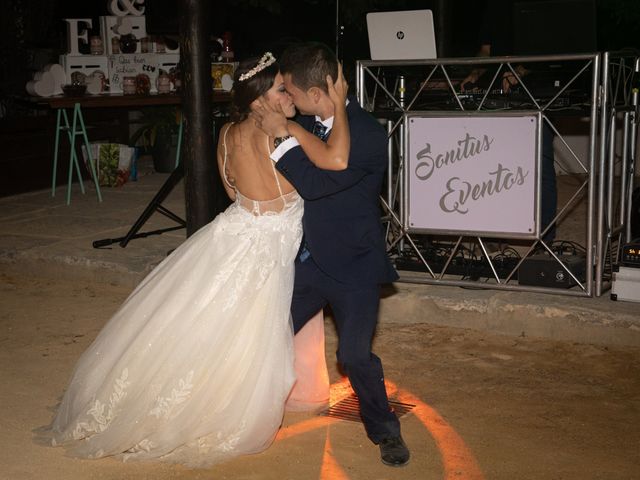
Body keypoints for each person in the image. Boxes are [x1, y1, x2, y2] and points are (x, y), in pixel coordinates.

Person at [38, 52, 350, 467]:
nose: (288, 92)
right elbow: (333, 163)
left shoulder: (225, 134)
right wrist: (340, 110)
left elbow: (232, 186)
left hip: (232, 231)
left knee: (201, 319)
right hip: (269, 246)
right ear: (260, 100)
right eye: (280, 88)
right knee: (251, 330)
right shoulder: (284, 131)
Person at [251, 41, 410, 467]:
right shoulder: (308, 118)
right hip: (308, 262)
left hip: (354, 266)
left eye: (293, 93)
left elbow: (317, 185)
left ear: (317, 94)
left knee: (354, 356)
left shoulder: (368, 134)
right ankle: (246, 415)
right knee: (265, 331)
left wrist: (281, 140)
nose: (290, 101)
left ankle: (384, 429)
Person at [460, 0, 557, 243]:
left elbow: (552, 46)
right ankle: (493, 229)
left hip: (537, 92)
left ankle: (545, 237)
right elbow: (486, 49)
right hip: (498, 90)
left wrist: (521, 70)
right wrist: (475, 71)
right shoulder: (494, 6)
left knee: (540, 164)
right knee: (490, 162)